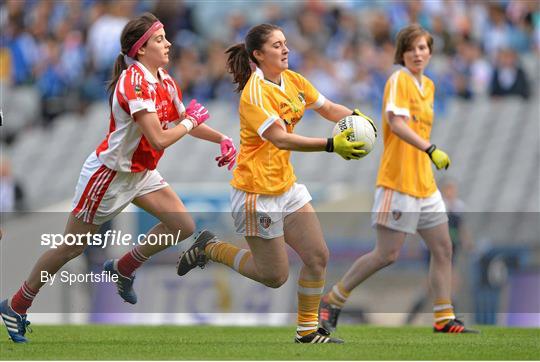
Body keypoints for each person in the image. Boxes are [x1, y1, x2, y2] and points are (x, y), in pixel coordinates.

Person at [0, 13, 237, 343]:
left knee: (182, 225)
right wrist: (189, 124)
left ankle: (124, 267)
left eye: (166, 37)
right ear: (141, 49)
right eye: (159, 39)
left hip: (139, 173)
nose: (167, 43)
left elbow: (185, 119)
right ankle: (17, 304)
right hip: (108, 177)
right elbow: (159, 138)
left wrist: (222, 138)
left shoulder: (164, 80)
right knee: (70, 248)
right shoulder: (133, 83)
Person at [176, 23, 374, 344]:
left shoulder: (294, 80)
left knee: (317, 256)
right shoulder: (254, 94)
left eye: (285, 43)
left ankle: (307, 332)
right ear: (258, 54)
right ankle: (209, 248)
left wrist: (356, 117)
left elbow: (326, 108)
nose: (286, 50)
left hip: (286, 187)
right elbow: (280, 139)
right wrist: (331, 145)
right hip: (256, 193)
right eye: (277, 45)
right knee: (274, 276)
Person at [319, 24, 479, 334]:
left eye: (423, 48)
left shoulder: (428, 86)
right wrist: (430, 148)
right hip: (398, 181)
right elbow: (396, 122)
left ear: (430, 52)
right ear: (402, 53)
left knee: (444, 247)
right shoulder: (398, 80)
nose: (418, 53)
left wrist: (427, 154)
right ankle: (333, 298)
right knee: (387, 254)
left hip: (424, 181)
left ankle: (444, 317)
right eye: (412, 48)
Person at [405, 177, 474, 324]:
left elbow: (461, 227)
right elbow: (422, 225)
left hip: (450, 249)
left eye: (452, 189)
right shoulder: (436, 205)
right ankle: (411, 319)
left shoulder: (458, 207)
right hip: (433, 249)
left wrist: (467, 242)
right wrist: (413, 243)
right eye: (448, 188)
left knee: (452, 283)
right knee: (433, 285)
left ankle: (450, 318)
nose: (451, 192)